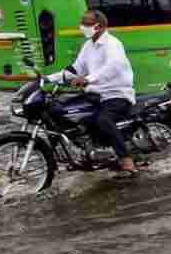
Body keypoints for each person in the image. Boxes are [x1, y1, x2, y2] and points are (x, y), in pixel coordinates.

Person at [48, 10, 137, 174]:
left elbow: (113, 66)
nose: (83, 27)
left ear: (100, 26)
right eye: (82, 23)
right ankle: (91, 152)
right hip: (95, 94)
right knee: (68, 113)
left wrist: (89, 79)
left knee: (103, 120)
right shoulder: (88, 45)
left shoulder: (112, 44)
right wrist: (48, 79)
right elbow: (75, 68)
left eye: (87, 24)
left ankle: (127, 160)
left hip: (116, 93)